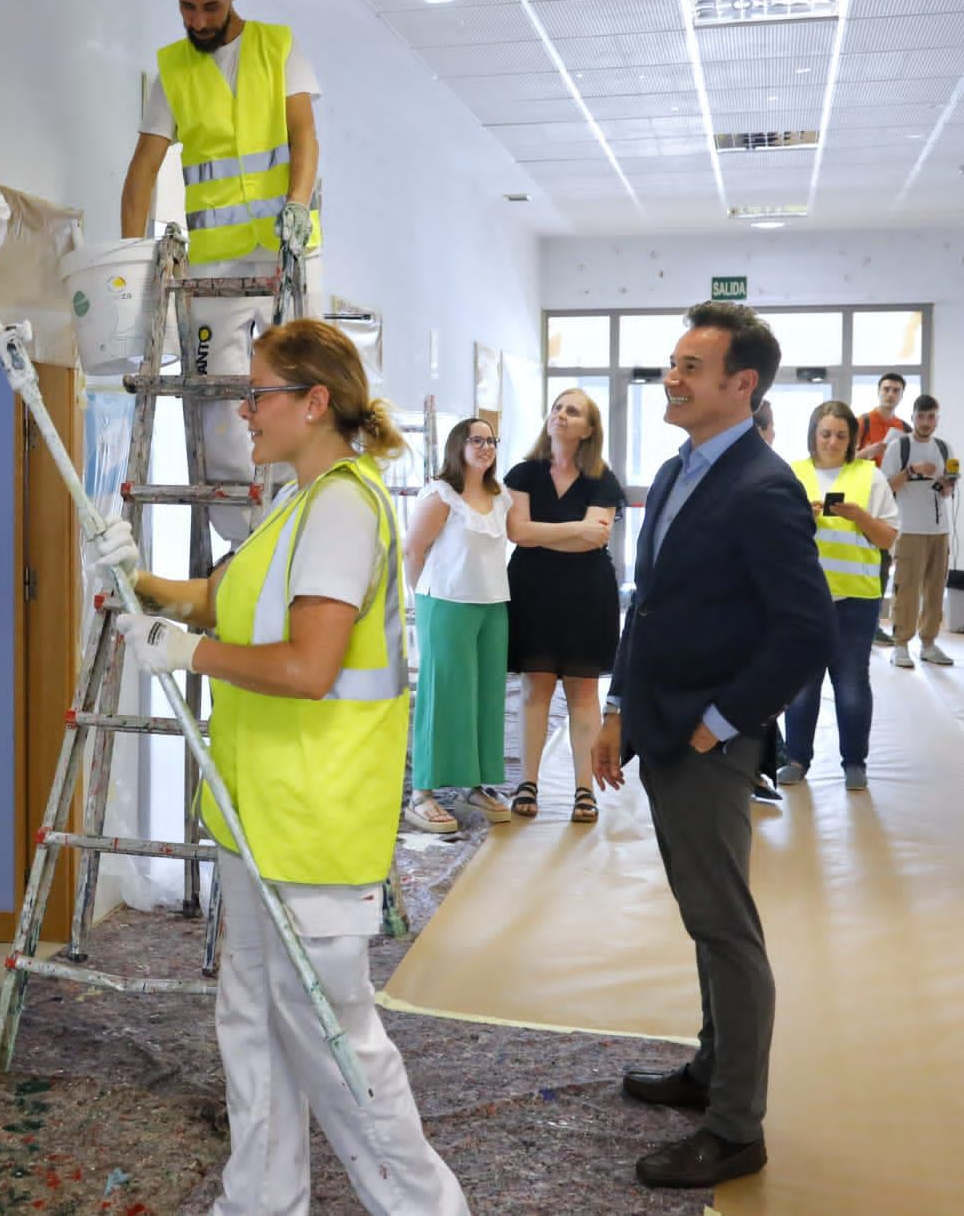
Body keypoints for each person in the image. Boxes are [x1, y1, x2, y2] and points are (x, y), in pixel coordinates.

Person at [101, 319, 467, 1214]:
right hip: (257, 815)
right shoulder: (296, 503)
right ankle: (258, 1202)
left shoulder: (344, 506)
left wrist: (187, 654)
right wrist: (138, 578)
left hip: (312, 820)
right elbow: (224, 599)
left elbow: (308, 667)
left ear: (314, 403)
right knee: (255, 1027)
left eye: (259, 393)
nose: (245, 410)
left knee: (334, 1044)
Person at [591, 302, 834, 1191]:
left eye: (693, 366)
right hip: (659, 723)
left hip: (708, 740)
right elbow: (647, 601)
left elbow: (806, 632)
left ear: (743, 385)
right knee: (705, 914)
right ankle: (708, 1069)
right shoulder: (676, 468)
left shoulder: (764, 488)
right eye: (672, 362)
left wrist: (721, 721)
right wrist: (618, 706)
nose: (673, 377)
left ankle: (737, 1126)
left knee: (726, 926)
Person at [120, 0, 322, 542]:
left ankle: (304, 518)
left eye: (210, 5)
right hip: (215, 268)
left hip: (287, 252)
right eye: (186, 6)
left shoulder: (277, 47)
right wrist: (131, 271)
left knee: (305, 384)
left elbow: (305, 136)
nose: (198, 20)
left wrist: (296, 204)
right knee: (214, 402)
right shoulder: (173, 71)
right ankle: (248, 539)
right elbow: (140, 176)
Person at [503, 389, 623, 825]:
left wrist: (543, 532)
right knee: (535, 688)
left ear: (589, 429)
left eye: (572, 411)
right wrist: (575, 529)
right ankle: (527, 782)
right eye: (557, 408)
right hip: (533, 590)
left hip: (587, 593)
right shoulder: (523, 473)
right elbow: (517, 532)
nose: (561, 415)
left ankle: (584, 790)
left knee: (583, 691)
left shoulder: (602, 479)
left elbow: (596, 538)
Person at [777, 401, 899, 791]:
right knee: (800, 685)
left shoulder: (870, 476)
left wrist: (859, 516)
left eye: (841, 435)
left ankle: (854, 762)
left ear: (853, 440)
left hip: (856, 600)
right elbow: (773, 534)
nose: (832, 441)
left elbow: (887, 538)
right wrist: (803, 519)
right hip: (803, 600)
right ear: (813, 434)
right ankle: (796, 758)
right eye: (825, 433)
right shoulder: (792, 474)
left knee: (850, 684)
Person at [401, 418, 513, 833]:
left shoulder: (500, 498)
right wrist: (425, 597)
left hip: (492, 605)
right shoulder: (442, 494)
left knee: (485, 696)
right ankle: (423, 793)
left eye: (491, 441)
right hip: (446, 603)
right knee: (442, 694)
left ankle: (474, 784)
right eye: (477, 440)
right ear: (458, 446)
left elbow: (524, 533)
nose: (486, 447)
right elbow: (413, 549)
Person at [880, 394, 958, 667]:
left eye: (932, 416)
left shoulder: (945, 448)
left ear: (937, 418)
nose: (926, 422)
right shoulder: (898, 447)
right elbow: (887, 486)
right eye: (921, 416)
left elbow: (948, 491)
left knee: (936, 588)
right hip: (909, 527)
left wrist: (945, 483)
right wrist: (912, 470)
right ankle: (901, 643)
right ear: (912, 417)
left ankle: (929, 642)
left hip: (940, 528)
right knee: (907, 588)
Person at [855, 375, 910, 644]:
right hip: (863, 499)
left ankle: (873, 623)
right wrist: (869, 450)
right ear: (878, 392)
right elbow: (845, 459)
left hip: (890, 502)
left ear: (901, 395)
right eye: (886, 389)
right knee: (858, 561)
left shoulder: (904, 429)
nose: (890, 394)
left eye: (896, 390)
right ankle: (854, 621)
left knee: (882, 565)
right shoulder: (863, 422)